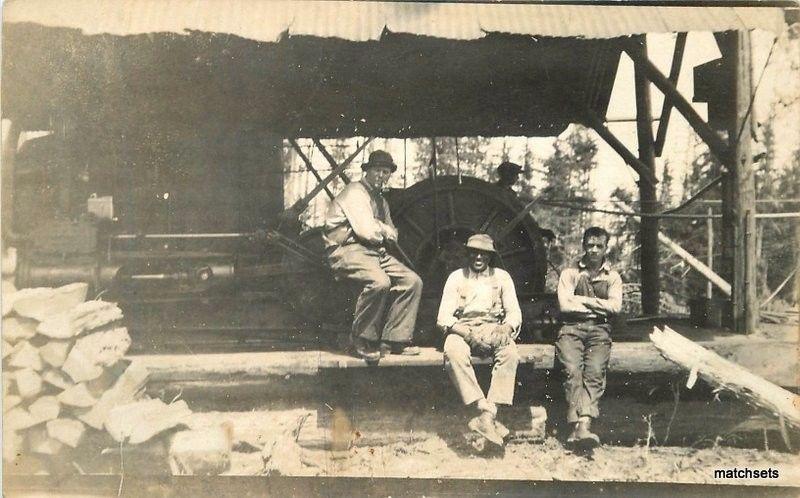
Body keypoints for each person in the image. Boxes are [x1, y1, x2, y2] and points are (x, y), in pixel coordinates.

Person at [323, 150, 422, 362]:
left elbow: (393, 234)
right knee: (380, 282)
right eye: (377, 170)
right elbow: (367, 232)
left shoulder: (380, 200)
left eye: (386, 172)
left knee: (413, 281)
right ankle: (360, 339)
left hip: (374, 251)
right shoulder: (355, 192)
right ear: (367, 171)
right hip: (345, 250)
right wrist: (382, 229)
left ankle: (395, 339)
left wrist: (382, 230)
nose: (381, 176)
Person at [437, 234, 522, 446]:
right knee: (453, 353)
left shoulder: (502, 277)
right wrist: (467, 335)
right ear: (467, 254)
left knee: (510, 353)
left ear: (490, 256)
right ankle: (484, 409)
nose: (478, 257)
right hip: (462, 327)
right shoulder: (456, 277)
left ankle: (486, 418)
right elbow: (443, 317)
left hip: (492, 325)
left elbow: (514, 312)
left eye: (483, 253)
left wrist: (507, 327)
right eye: (474, 252)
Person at [555, 226, 622, 448]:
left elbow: (615, 307)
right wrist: (598, 307)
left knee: (594, 371)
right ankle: (578, 426)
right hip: (571, 328)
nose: (593, 250)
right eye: (590, 245)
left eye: (598, 246)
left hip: (599, 331)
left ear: (605, 249)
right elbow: (565, 306)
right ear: (584, 246)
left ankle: (583, 424)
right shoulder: (570, 273)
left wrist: (583, 301)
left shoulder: (612, 277)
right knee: (572, 369)